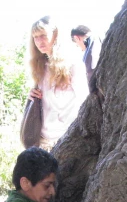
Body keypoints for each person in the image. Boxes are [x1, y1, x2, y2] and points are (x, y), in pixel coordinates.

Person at [28, 16, 88, 151]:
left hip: (67, 138)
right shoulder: (39, 65)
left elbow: (85, 101)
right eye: (35, 37)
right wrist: (32, 94)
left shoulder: (73, 63)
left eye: (43, 35)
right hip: (43, 139)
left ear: (55, 35)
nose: (39, 41)